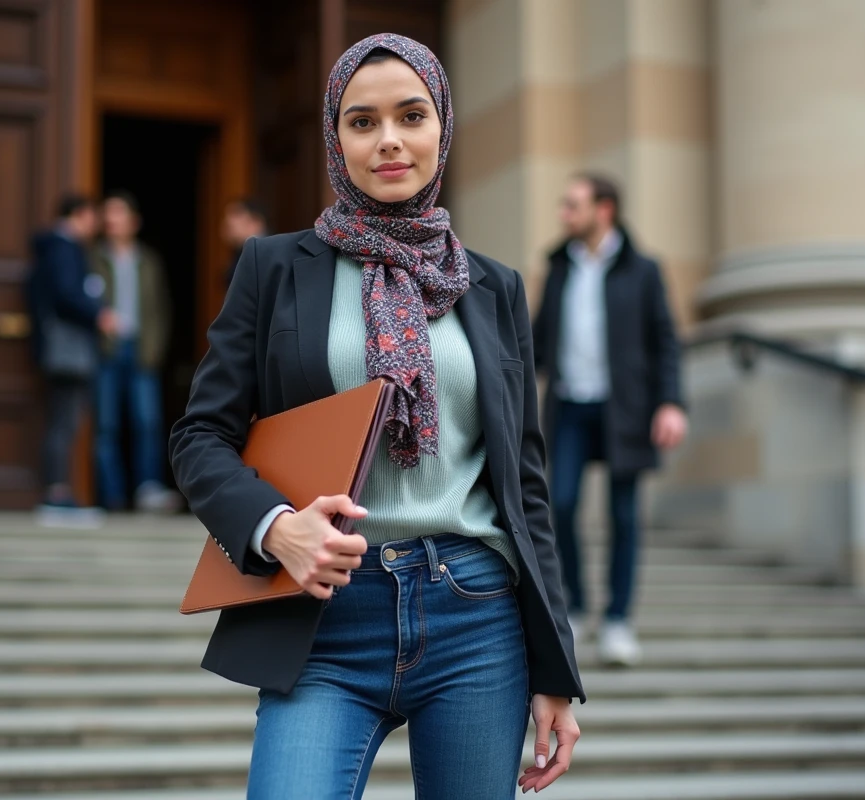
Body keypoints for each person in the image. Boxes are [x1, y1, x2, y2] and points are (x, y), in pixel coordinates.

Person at [170, 34, 582, 799]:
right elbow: (199, 436)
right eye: (362, 122)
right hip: (324, 611)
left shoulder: (494, 288)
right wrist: (274, 525)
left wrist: (555, 671)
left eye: (411, 115)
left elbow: (525, 487)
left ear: (442, 128)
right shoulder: (274, 269)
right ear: (336, 139)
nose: (389, 140)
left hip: (476, 615)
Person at [531, 173, 687, 667]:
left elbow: (665, 341)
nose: (564, 214)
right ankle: (576, 606)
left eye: (573, 205)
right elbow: (535, 342)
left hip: (626, 409)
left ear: (604, 210)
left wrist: (671, 403)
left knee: (623, 516)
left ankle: (619, 619)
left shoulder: (642, 270)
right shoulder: (558, 268)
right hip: (571, 406)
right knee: (564, 503)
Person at [25, 193, 116, 526]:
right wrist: (98, 314)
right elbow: (67, 294)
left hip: (58, 349)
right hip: (68, 351)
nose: (95, 225)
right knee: (64, 420)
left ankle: (57, 491)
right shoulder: (64, 248)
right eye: (92, 217)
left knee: (62, 419)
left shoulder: (52, 248)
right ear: (79, 215)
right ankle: (56, 494)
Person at [89, 191, 181, 513]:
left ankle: (148, 491)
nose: (111, 221)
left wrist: (154, 350)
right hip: (107, 351)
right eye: (108, 215)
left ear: (133, 221)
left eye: (118, 214)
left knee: (147, 422)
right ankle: (111, 496)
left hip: (141, 351)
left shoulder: (149, 260)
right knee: (107, 425)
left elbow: (160, 310)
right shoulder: (94, 257)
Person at [221, 196, 268, 287]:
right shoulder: (240, 252)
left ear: (255, 222)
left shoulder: (268, 256)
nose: (227, 221)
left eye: (235, 214)